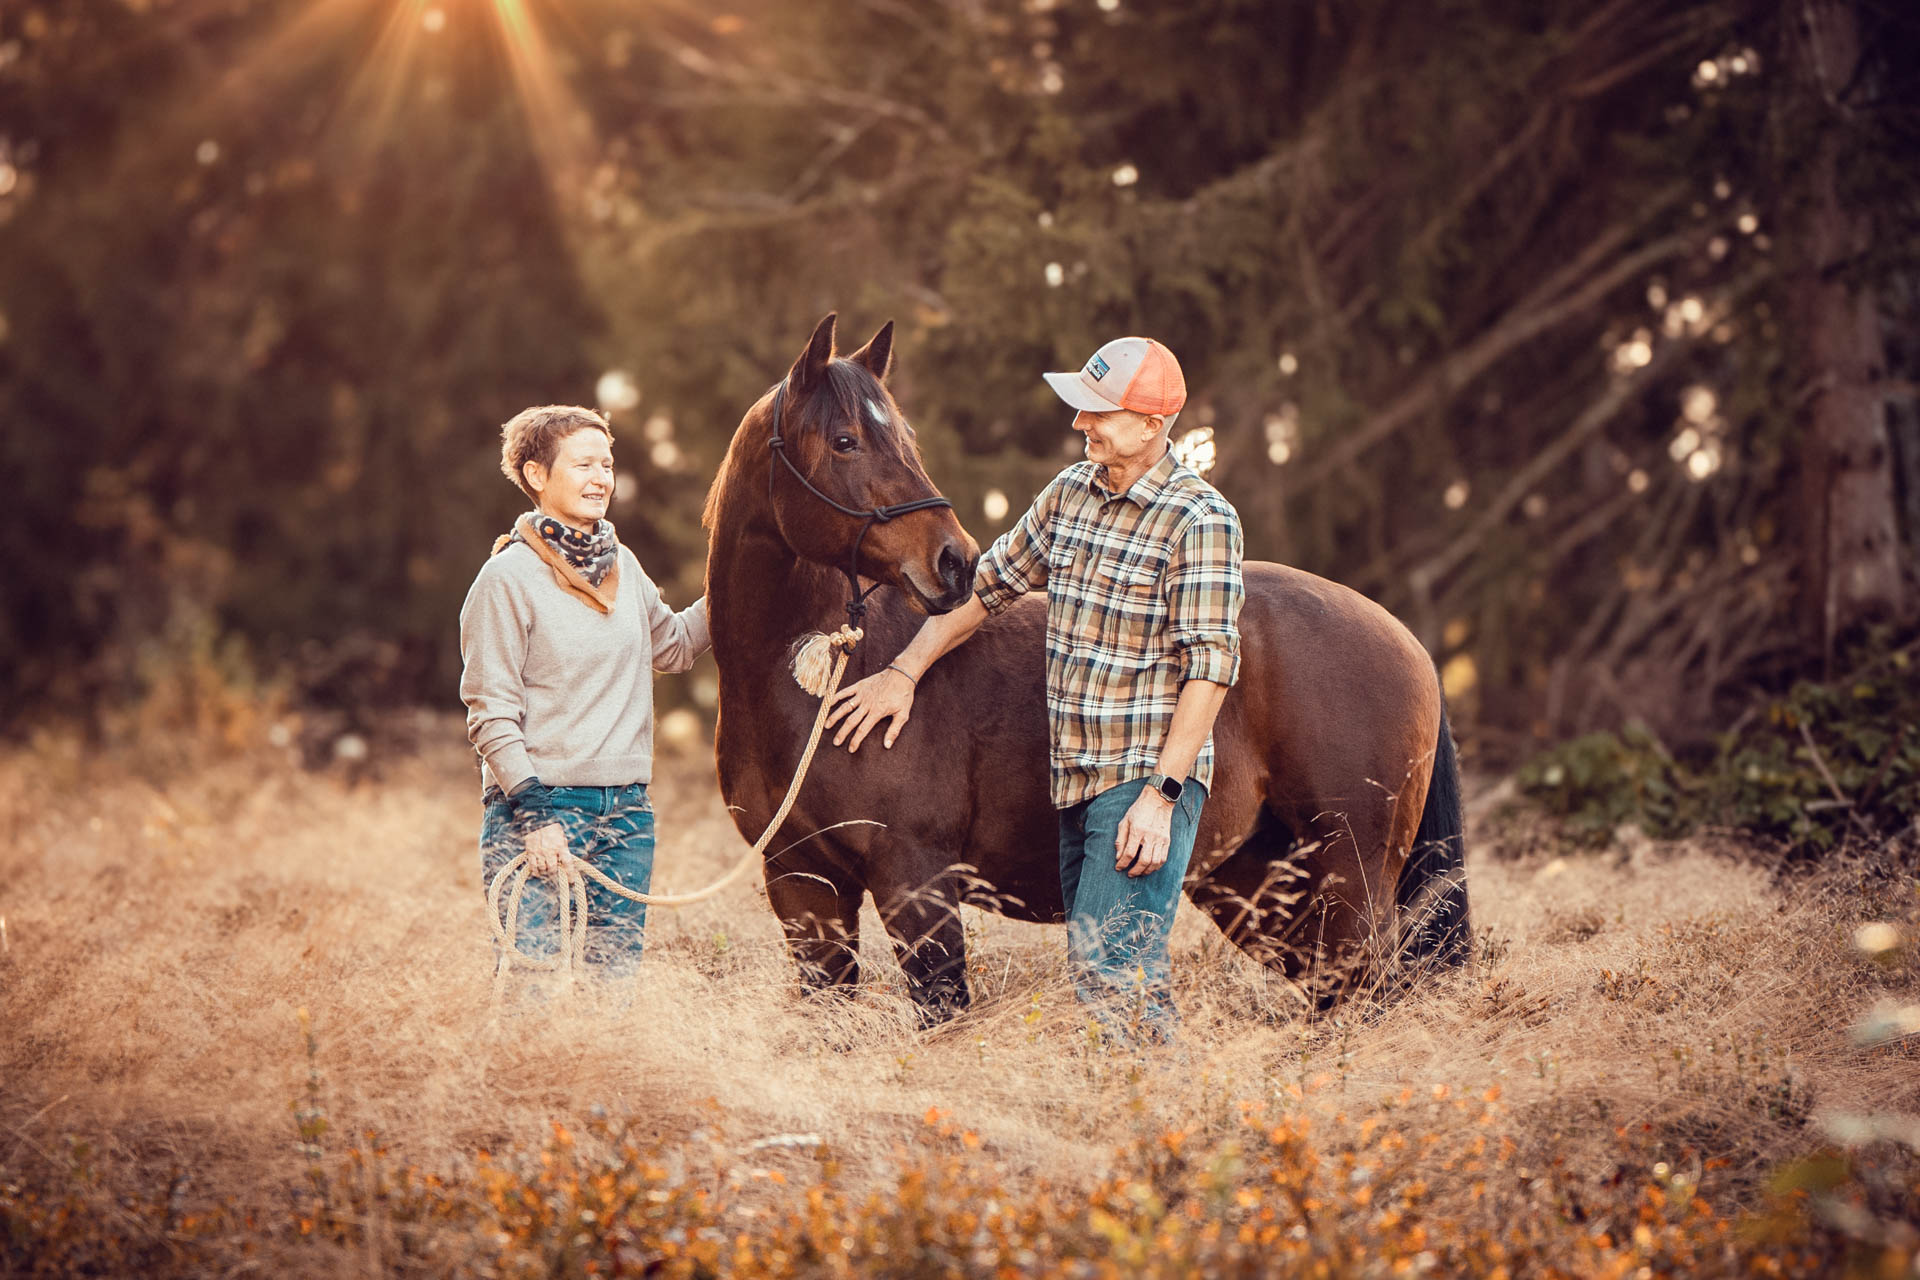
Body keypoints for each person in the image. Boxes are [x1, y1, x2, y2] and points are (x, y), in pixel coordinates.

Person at [826, 337, 1245, 1041]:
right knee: (1098, 966)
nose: (1082, 424)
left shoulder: (1199, 519)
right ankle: (1141, 1123)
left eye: (1099, 413)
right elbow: (985, 591)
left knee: (1116, 970)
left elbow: (1210, 667)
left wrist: (1161, 797)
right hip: (1074, 775)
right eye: (1081, 410)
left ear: (1151, 424)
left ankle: (1167, 1128)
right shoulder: (1069, 495)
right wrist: (903, 672)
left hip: (1140, 777)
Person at [459, 404, 711, 981]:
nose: (601, 478)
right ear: (536, 476)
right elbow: (490, 714)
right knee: (532, 987)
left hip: (628, 811)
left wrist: (731, 585)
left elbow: (672, 646)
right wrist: (535, 814)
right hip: (542, 808)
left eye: (607, 464)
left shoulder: (623, 564)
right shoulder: (505, 579)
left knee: (613, 990)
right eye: (583, 465)